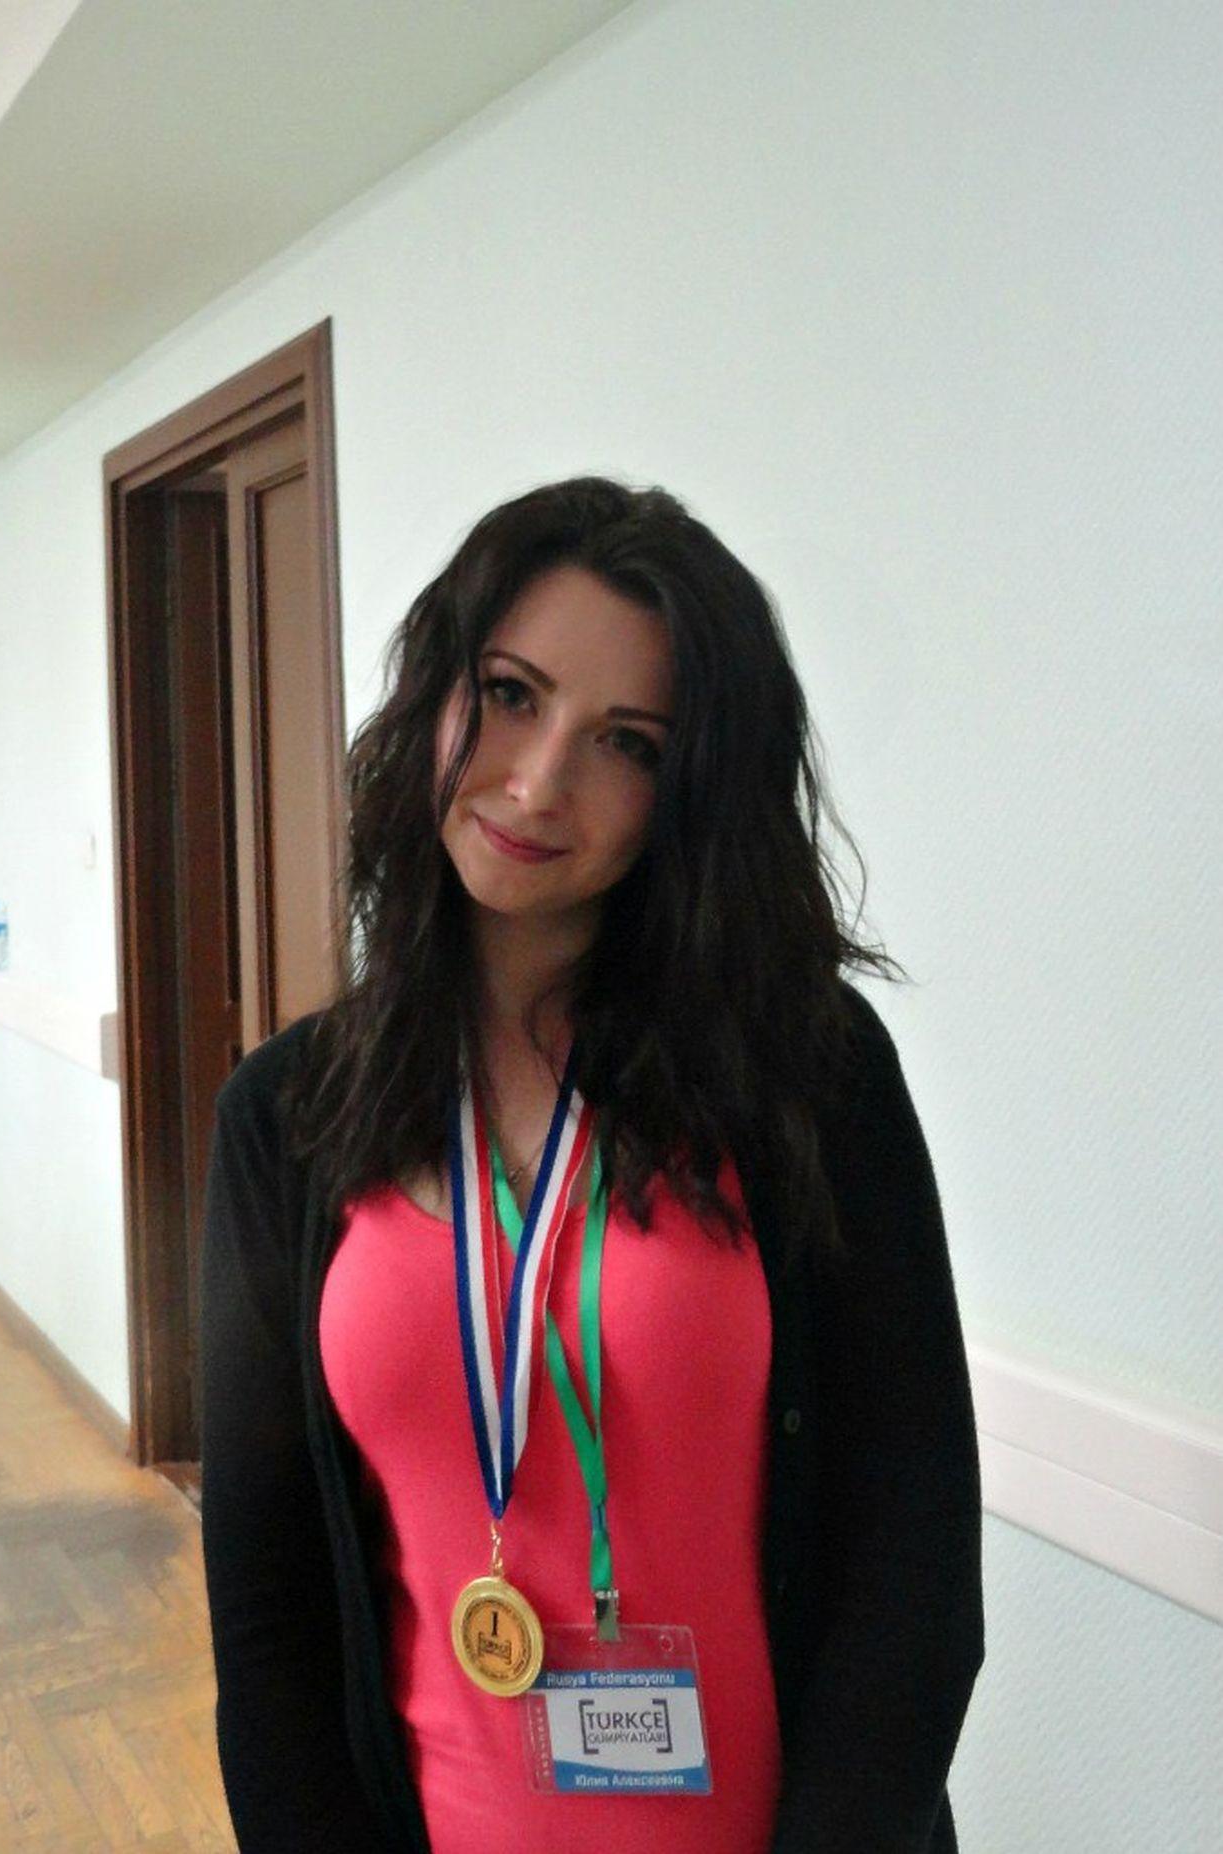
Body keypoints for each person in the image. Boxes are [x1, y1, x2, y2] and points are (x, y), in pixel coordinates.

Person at [200, 476, 984, 1853]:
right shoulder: (286, 1115)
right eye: (510, 694)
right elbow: (269, 1616)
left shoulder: (808, 1071)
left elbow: (911, 1569)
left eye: (627, 742)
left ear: (689, 794)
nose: (538, 780)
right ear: (436, 693)